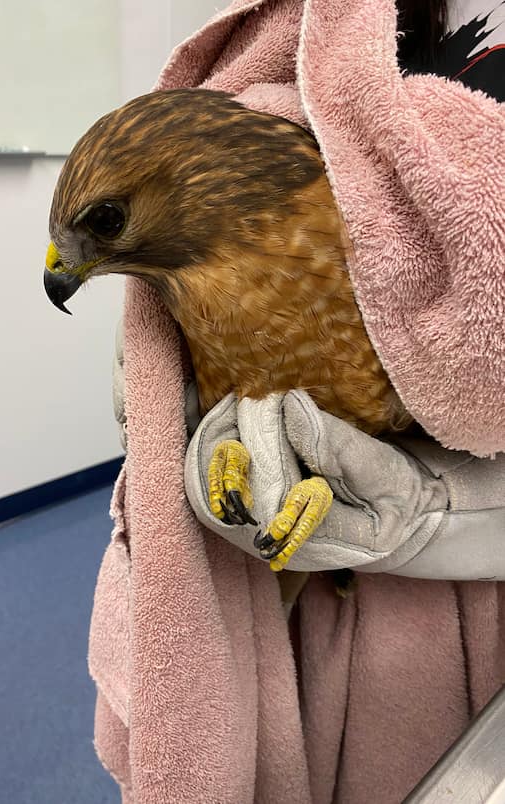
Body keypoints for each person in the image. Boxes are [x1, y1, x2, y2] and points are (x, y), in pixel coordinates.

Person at [107, 1, 504, 801]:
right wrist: (188, 434)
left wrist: (435, 509)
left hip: (460, 627)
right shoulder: (283, 48)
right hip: (303, 619)